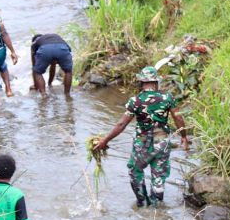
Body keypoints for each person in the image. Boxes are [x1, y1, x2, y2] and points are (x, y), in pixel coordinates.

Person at [93, 66, 189, 207]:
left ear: (142, 82)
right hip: (162, 143)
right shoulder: (168, 98)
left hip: (142, 144)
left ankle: (142, 202)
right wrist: (184, 137)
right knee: (159, 175)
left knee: (135, 170)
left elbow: (121, 125)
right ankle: (156, 207)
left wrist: (104, 141)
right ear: (156, 82)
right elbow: (178, 118)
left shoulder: (135, 101)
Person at [30, 33, 73, 98]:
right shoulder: (54, 37)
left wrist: (36, 86)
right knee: (68, 71)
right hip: (62, 48)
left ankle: (44, 95)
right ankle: (67, 94)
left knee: (37, 72)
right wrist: (50, 84)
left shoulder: (35, 44)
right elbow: (69, 49)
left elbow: (34, 66)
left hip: (45, 50)